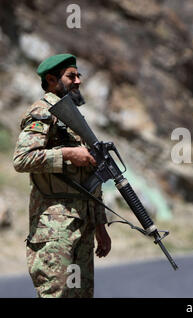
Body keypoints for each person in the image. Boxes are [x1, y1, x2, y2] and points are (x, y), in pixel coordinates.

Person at [13, 53, 111, 298]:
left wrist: (100, 224)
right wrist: (67, 154)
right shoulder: (42, 112)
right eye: (71, 76)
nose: (78, 81)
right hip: (54, 229)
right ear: (51, 79)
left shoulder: (72, 117)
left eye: (78, 75)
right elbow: (22, 159)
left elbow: (90, 178)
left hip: (82, 225)